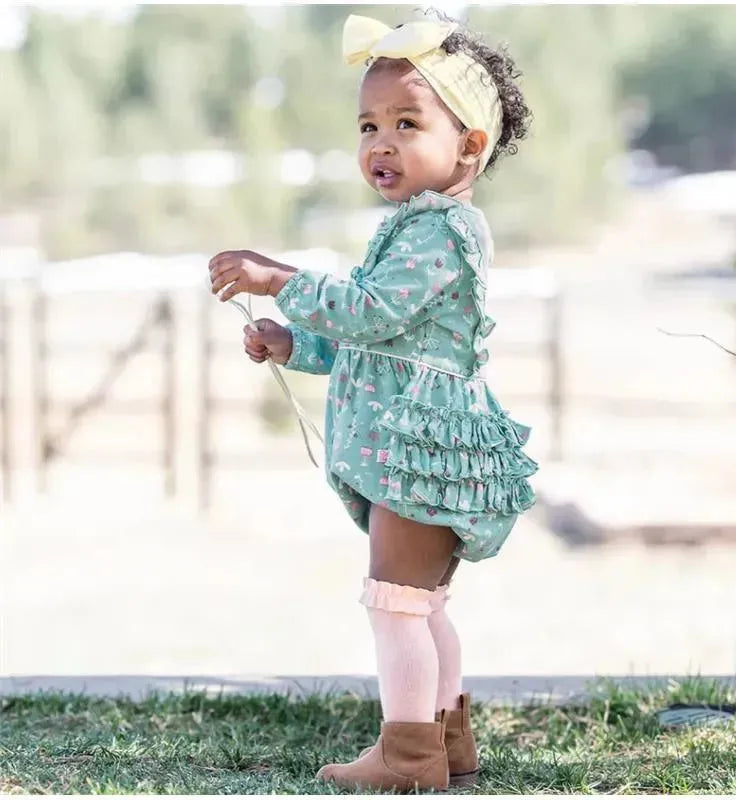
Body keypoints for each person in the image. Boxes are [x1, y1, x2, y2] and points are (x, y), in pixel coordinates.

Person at [208, 12, 537, 793]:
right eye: (368, 126)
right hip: (422, 447)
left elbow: (371, 311)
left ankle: (408, 755)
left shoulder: (441, 232)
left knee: (395, 606)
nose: (380, 143)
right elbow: (380, 339)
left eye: (405, 124)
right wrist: (295, 344)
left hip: (421, 452)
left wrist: (279, 279)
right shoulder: (418, 228)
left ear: (469, 146)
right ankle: (445, 742)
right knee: (420, 604)